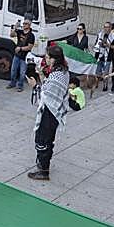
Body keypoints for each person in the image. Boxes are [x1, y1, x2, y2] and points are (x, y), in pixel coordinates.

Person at [28, 45, 70, 181]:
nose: (45, 60)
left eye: (47, 57)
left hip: (50, 112)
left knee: (43, 138)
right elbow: (48, 88)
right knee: (48, 139)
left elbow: (46, 94)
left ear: (54, 59)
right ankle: (43, 165)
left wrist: (35, 85)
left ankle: (44, 170)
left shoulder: (57, 75)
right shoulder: (62, 71)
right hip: (54, 110)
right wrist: (41, 75)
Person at [9, 20, 35, 92]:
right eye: (23, 23)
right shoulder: (20, 32)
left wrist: (20, 48)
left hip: (24, 56)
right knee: (13, 70)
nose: (24, 25)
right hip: (17, 55)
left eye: (26, 24)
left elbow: (30, 47)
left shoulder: (31, 35)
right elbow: (11, 35)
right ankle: (12, 83)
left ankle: (20, 86)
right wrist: (15, 27)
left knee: (22, 72)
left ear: (29, 25)